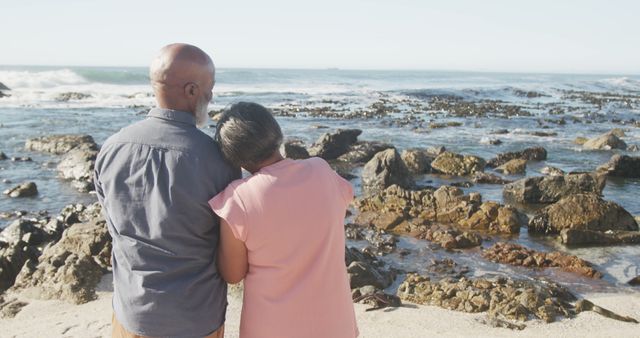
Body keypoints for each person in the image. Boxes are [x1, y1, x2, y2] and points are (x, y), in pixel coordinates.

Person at [94, 43, 239, 338]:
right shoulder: (219, 161)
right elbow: (228, 250)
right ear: (191, 91)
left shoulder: (111, 149)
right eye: (209, 88)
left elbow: (114, 228)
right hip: (197, 318)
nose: (211, 97)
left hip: (132, 314)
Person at [209, 102, 359, 338]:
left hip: (272, 328)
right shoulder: (321, 170)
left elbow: (233, 273)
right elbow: (345, 200)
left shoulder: (237, 199)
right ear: (275, 132)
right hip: (335, 324)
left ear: (233, 157)